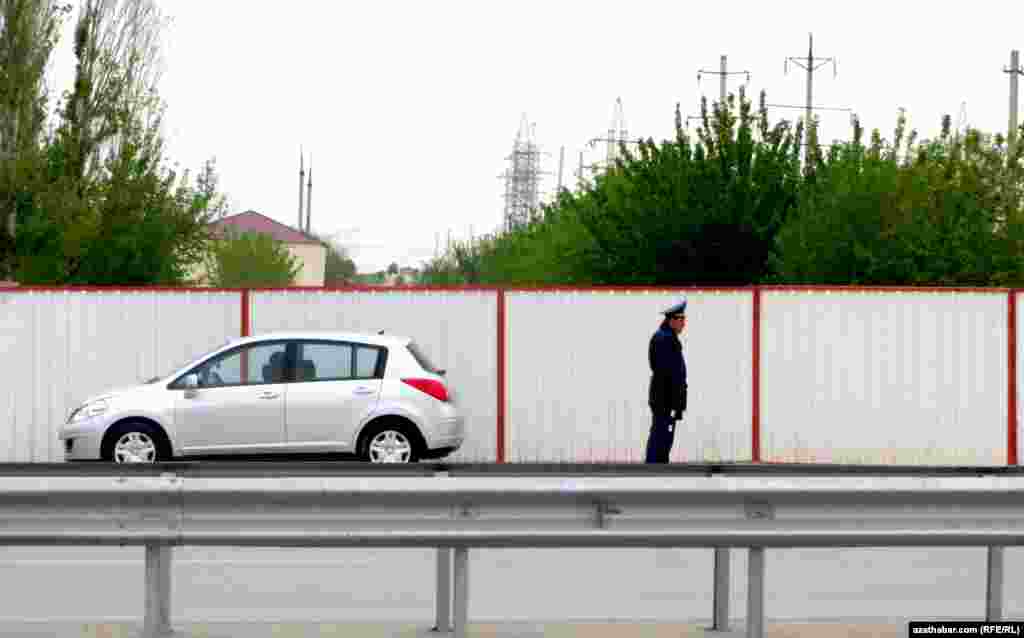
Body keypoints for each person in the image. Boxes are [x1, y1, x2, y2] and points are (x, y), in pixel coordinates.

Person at [645, 300, 688, 463]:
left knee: (664, 437)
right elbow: (667, 374)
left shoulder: (667, 338)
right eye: (681, 319)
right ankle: (652, 473)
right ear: (672, 320)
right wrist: (674, 402)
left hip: (667, 399)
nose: (684, 324)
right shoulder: (664, 339)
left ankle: (658, 471)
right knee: (661, 438)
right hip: (665, 400)